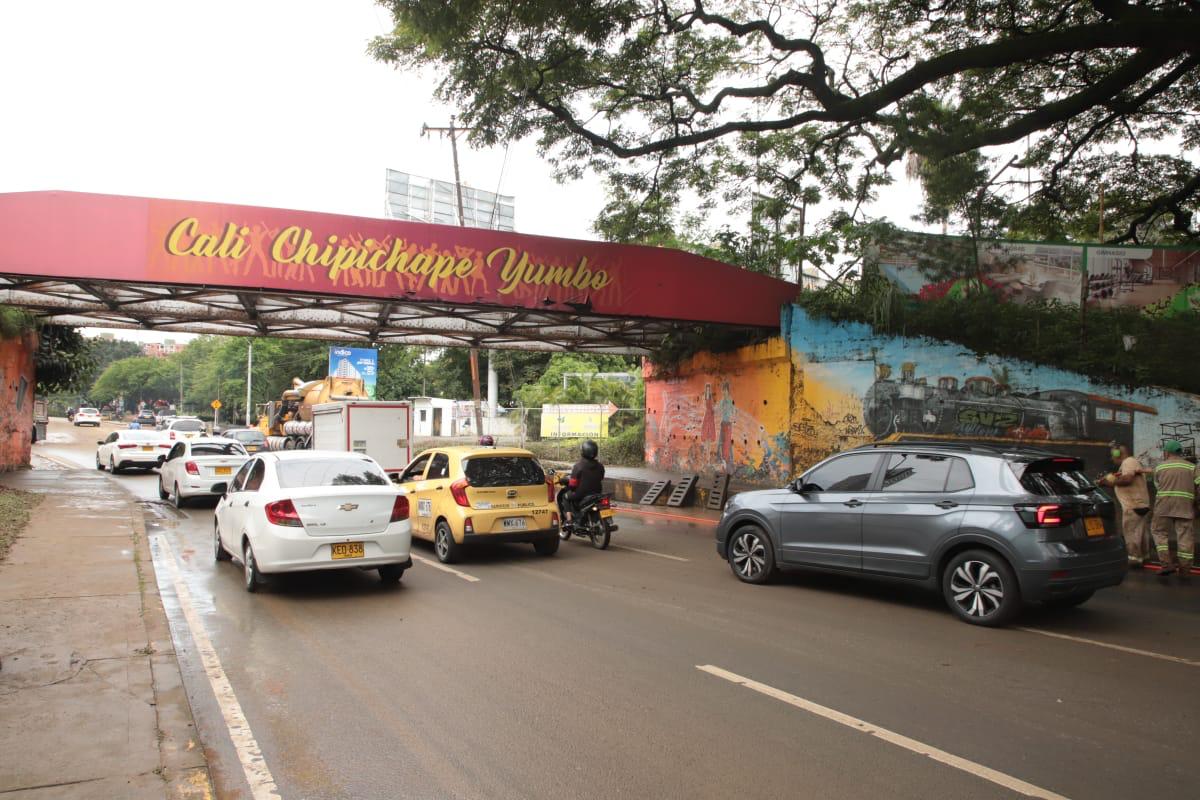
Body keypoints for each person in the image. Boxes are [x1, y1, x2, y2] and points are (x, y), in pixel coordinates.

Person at [1098, 443, 1151, 568]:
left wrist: (1109, 483)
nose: (1112, 458)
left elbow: (1127, 479)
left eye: (1112, 455)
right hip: (1140, 504)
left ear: (1118, 454)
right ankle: (1143, 557)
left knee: (1131, 532)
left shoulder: (1128, 462)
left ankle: (1133, 559)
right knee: (1141, 532)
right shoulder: (1131, 463)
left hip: (1133, 504)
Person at [1150, 440, 1197, 581]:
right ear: (1180, 452)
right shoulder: (1192, 467)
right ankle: (1184, 569)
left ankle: (1166, 564)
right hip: (1185, 507)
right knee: (1185, 536)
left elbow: (1158, 486)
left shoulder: (1159, 468)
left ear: (1167, 452)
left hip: (1163, 506)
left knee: (1159, 532)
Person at [564, 440, 605, 527]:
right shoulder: (600, 466)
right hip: (597, 493)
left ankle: (569, 520)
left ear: (583, 452)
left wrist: (571, 488)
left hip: (581, 494)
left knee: (565, 497)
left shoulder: (578, 466)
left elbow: (572, 484)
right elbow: (601, 478)